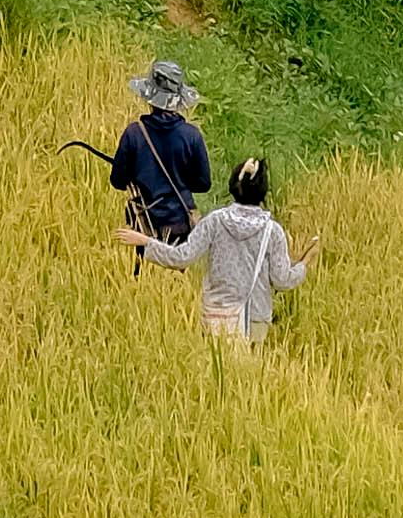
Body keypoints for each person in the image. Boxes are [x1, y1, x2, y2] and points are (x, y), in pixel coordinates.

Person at [146, 155, 313, 352]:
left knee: (217, 374)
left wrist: (146, 243)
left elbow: (182, 257)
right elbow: (282, 280)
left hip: (217, 315)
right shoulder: (272, 231)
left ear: (233, 186)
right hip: (255, 317)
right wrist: (305, 261)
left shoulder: (214, 221)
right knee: (247, 379)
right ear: (263, 191)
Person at [107, 57, 212, 254]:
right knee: (175, 277)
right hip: (180, 224)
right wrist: (180, 178)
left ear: (150, 97)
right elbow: (204, 184)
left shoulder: (134, 133)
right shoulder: (192, 136)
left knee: (145, 278)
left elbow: (118, 181)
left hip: (143, 224)